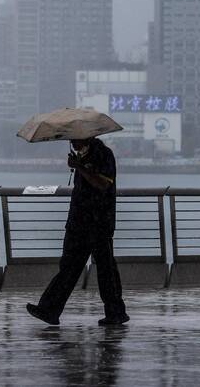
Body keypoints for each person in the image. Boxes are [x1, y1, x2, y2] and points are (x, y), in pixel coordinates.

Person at [27, 137, 130, 326]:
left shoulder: (103, 155)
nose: (73, 143)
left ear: (88, 136)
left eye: (76, 139)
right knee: (68, 268)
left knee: (105, 270)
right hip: (79, 222)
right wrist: (78, 165)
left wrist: (79, 167)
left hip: (99, 223)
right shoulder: (82, 156)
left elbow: (103, 184)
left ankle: (116, 312)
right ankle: (49, 309)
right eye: (71, 140)